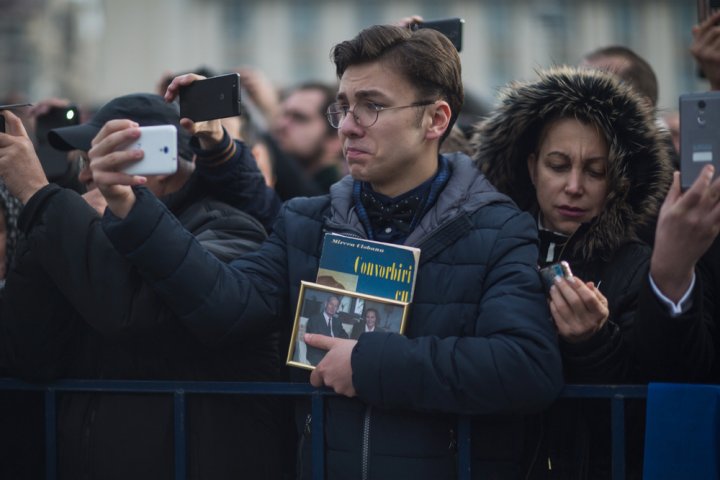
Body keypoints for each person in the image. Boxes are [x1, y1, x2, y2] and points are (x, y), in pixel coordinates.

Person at [86, 24, 563, 479]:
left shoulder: (498, 226)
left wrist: (370, 365)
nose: (349, 127)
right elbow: (226, 304)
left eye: (371, 106)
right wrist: (132, 206)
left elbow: (525, 366)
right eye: (343, 108)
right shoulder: (307, 221)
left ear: (435, 119)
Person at [0, 93, 285, 480]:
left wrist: (40, 198)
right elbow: (28, 352)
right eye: (84, 161)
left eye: (102, 159)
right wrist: (47, 233)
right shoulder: (78, 228)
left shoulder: (231, 229)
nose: (85, 175)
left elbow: (135, 313)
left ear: (163, 161)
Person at [473, 65, 716, 479]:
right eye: (557, 164)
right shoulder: (488, 246)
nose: (574, 186)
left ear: (616, 183)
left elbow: (655, 399)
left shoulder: (635, 264)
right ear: (532, 168)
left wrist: (594, 343)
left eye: (594, 171)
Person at [304, 294, 347, 365]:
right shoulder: (314, 319)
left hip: (334, 353)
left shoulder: (337, 322)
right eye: (331, 304)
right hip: (318, 354)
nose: (333, 308)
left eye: (336, 306)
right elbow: (317, 340)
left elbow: (345, 336)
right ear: (326, 304)